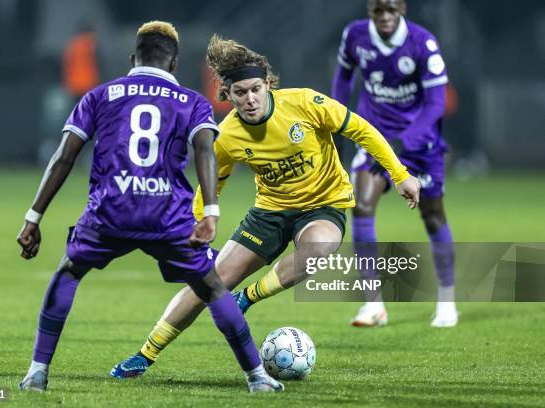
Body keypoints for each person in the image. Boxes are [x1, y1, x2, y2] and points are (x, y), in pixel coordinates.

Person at [110, 34, 420, 378]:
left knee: (317, 249)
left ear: (268, 84)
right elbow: (212, 183)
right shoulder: (226, 134)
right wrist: (196, 222)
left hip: (323, 204)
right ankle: (145, 354)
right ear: (227, 95)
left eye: (256, 89)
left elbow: (362, 130)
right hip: (269, 213)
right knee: (207, 283)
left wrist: (400, 175)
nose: (251, 99)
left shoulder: (305, 104)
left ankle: (248, 299)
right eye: (240, 93)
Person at [17, 21, 283, 393]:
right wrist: (210, 213)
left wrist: (34, 217)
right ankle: (257, 378)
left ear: (132, 58)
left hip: (109, 211)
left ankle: (37, 372)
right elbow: (206, 150)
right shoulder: (192, 101)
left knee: (69, 272)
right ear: (173, 63)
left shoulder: (99, 96)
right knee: (212, 288)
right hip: (167, 217)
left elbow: (63, 158)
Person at [331, 0, 458, 327]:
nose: (385, 17)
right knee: (361, 207)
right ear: (369, 10)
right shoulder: (355, 36)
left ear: (401, 9)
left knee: (432, 216)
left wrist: (404, 141)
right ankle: (373, 304)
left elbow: (436, 102)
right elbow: (344, 79)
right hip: (375, 136)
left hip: (418, 144)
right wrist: (337, 119)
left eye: (391, 10)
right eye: (378, 10)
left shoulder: (423, 44)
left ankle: (447, 300)